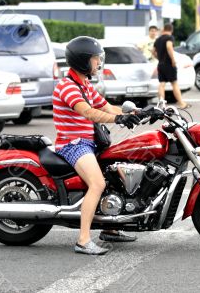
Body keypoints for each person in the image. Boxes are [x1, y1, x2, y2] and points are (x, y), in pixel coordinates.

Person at [53, 36, 141, 255]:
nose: (98, 63)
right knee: (98, 184)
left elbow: (107, 107)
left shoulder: (84, 85)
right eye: (94, 59)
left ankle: (111, 228)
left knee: (118, 174)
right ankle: (83, 240)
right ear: (83, 60)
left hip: (90, 143)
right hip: (73, 145)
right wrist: (119, 120)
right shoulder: (68, 87)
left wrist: (139, 112)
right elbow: (89, 112)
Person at [153, 23, 190, 109]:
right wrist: (173, 60)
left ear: (164, 29)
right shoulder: (169, 38)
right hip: (169, 64)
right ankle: (181, 103)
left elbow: (153, 52)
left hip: (160, 64)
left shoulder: (158, 39)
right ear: (171, 30)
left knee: (161, 84)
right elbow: (169, 46)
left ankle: (162, 105)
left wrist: (158, 58)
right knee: (174, 83)